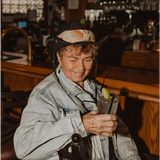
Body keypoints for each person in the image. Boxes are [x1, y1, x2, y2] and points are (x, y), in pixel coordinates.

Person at [14, 21, 141, 160]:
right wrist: (81, 124)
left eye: (87, 59)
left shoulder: (99, 91)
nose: (81, 68)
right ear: (59, 57)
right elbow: (22, 147)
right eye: (73, 59)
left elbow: (120, 132)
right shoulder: (45, 95)